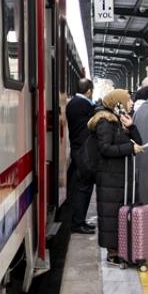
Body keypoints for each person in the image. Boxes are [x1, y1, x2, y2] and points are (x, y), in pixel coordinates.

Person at [89, 89, 144, 264]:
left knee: (119, 213)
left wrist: (132, 127)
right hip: (110, 177)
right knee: (111, 215)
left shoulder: (119, 120)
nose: (132, 103)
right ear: (118, 103)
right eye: (128, 100)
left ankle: (121, 248)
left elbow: (139, 142)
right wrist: (129, 148)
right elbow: (104, 148)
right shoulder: (105, 122)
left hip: (120, 176)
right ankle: (113, 252)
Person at [66, 79, 98, 234]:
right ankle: (78, 223)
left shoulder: (73, 103)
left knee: (81, 187)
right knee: (83, 188)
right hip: (83, 152)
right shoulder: (84, 105)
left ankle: (80, 221)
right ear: (89, 91)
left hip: (78, 149)